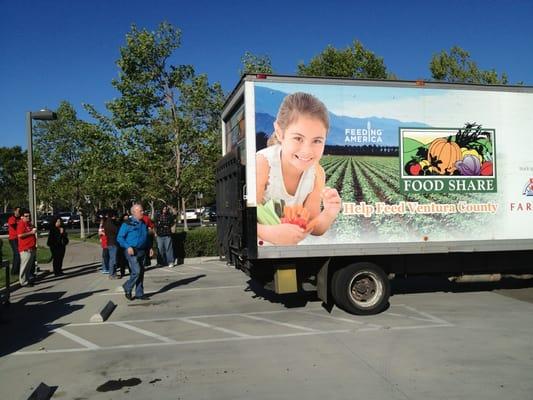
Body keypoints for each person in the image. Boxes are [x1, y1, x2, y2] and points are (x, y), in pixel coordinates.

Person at [256, 92, 342, 245]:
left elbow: (313, 226)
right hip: (263, 249)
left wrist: (329, 213)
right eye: (298, 138)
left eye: (317, 141)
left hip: (289, 252)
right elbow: (244, 220)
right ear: (279, 132)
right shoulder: (263, 163)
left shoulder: (316, 173)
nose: (306, 150)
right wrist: (269, 232)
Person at [117, 204, 152, 300]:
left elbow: (146, 237)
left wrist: (150, 248)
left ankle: (139, 293)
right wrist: (127, 246)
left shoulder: (143, 223)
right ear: (133, 212)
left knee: (141, 273)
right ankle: (127, 286)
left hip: (142, 251)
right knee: (136, 271)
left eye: (142, 210)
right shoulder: (127, 223)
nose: (142, 212)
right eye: (140, 211)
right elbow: (120, 237)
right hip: (131, 251)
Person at [17, 210, 37, 286]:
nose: (28, 217)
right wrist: (31, 232)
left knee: (28, 267)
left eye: (29, 215)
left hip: (31, 247)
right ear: (22, 217)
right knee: (24, 266)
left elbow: (32, 232)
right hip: (25, 249)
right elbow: (20, 235)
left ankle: (27, 279)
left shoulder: (29, 223)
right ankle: (23, 281)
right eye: (26, 216)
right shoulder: (21, 224)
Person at [103, 210, 119, 279]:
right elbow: (116, 230)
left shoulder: (107, 222)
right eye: (115, 215)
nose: (115, 217)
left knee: (113, 259)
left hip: (110, 242)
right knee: (113, 259)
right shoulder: (110, 223)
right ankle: (111, 274)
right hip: (113, 242)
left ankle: (113, 273)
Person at [7, 207, 21, 275]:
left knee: (19, 255)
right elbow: (14, 226)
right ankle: (14, 271)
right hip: (13, 239)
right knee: (17, 254)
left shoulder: (20, 219)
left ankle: (17, 270)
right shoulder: (11, 218)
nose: (19, 212)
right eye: (18, 211)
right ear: (14, 211)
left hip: (19, 239)